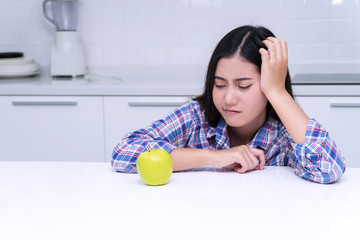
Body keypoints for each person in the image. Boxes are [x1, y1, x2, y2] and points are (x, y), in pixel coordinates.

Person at [111, 25, 346, 184]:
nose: (229, 98)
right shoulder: (196, 117)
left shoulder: (284, 136)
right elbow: (124, 151)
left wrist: (277, 91)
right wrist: (214, 157)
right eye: (220, 84)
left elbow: (328, 168)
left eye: (243, 86)